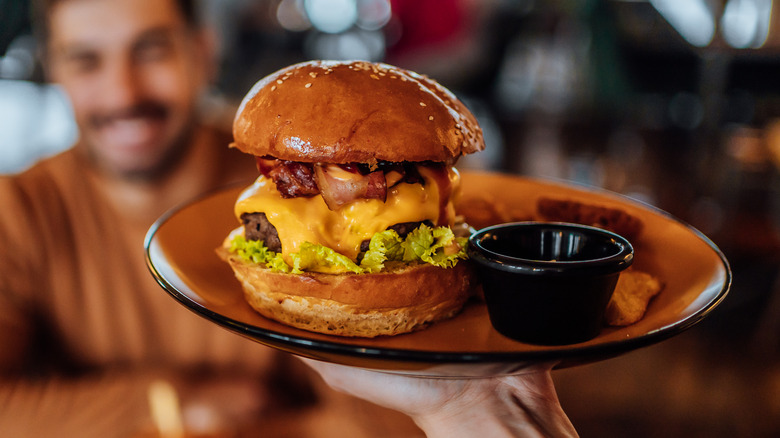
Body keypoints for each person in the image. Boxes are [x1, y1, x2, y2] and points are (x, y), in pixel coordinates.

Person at [0, 0, 577, 436]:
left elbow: (372, 424)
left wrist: (472, 403)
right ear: (55, 71)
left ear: (202, 52)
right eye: (87, 60)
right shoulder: (17, 211)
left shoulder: (255, 157)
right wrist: (177, 405)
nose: (122, 90)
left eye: (150, 50)